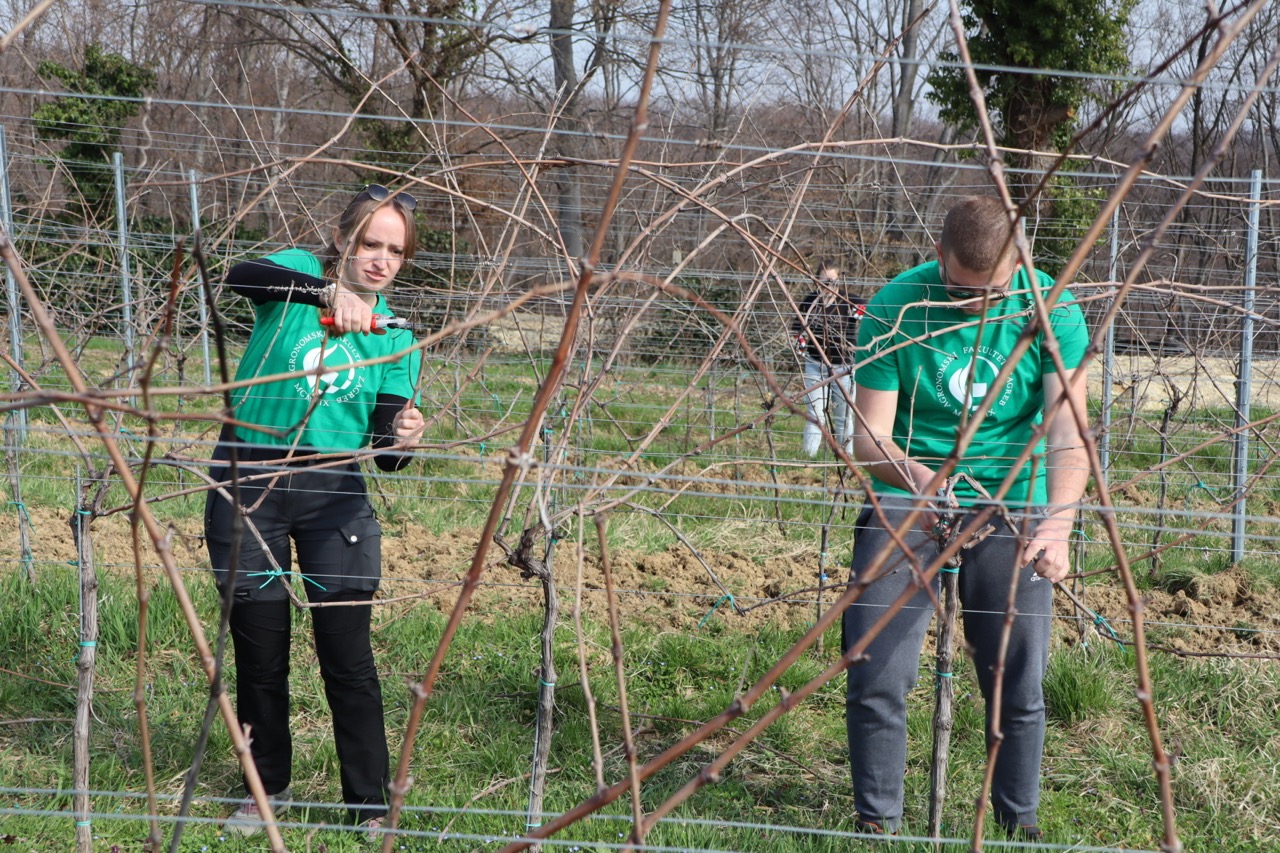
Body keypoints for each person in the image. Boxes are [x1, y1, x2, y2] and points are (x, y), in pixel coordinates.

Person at [843, 195, 1089, 839]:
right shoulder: (896, 306)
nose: (977, 308)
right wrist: (919, 480)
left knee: (1016, 671)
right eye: (960, 290)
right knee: (876, 662)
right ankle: (877, 822)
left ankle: (1018, 822)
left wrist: (1057, 525)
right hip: (911, 485)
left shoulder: (1050, 307)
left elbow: (1067, 431)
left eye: (995, 293)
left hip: (1015, 491)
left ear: (1020, 266)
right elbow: (869, 437)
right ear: (938, 258)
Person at [205, 184, 425, 839]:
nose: (381, 259)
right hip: (250, 481)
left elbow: (385, 451)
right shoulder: (296, 275)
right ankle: (264, 788)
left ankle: (367, 803)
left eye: (395, 251)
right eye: (370, 244)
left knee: (347, 655)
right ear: (343, 242)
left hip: (335, 498)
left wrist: (405, 437)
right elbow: (238, 274)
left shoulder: (397, 337)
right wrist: (328, 295)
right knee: (259, 650)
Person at [792, 260, 865, 457]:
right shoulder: (810, 302)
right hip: (815, 365)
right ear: (816, 282)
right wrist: (800, 342)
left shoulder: (849, 300)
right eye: (824, 281)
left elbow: (868, 313)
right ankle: (809, 458)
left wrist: (859, 312)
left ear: (839, 281)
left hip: (844, 367)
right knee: (815, 414)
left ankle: (846, 457)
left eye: (833, 281)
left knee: (844, 415)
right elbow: (797, 328)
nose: (829, 286)